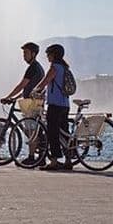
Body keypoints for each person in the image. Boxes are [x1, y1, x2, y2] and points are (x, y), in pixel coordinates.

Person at [0, 42, 45, 166]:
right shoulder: (38, 67)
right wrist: (15, 98)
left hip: (31, 103)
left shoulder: (33, 67)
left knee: (31, 130)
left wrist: (8, 97)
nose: (24, 56)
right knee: (34, 130)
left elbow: (22, 85)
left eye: (26, 53)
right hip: (34, 101)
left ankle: (31, 157)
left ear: (33, 54)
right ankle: (41, 156)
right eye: (23, 53)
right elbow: (28, 88)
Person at [32, 43, 72, 171]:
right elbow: (53, 85)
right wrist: (44, 93)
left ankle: (54, 161)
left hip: (55, 105)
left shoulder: (54, 67)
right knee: (64, 133)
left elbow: (45, 81)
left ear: (54, 55)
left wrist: (35, 90)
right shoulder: (65, 67)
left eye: (48, 54)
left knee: (52, 133)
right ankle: (68, 160)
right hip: (65, 104)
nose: (47, 56)